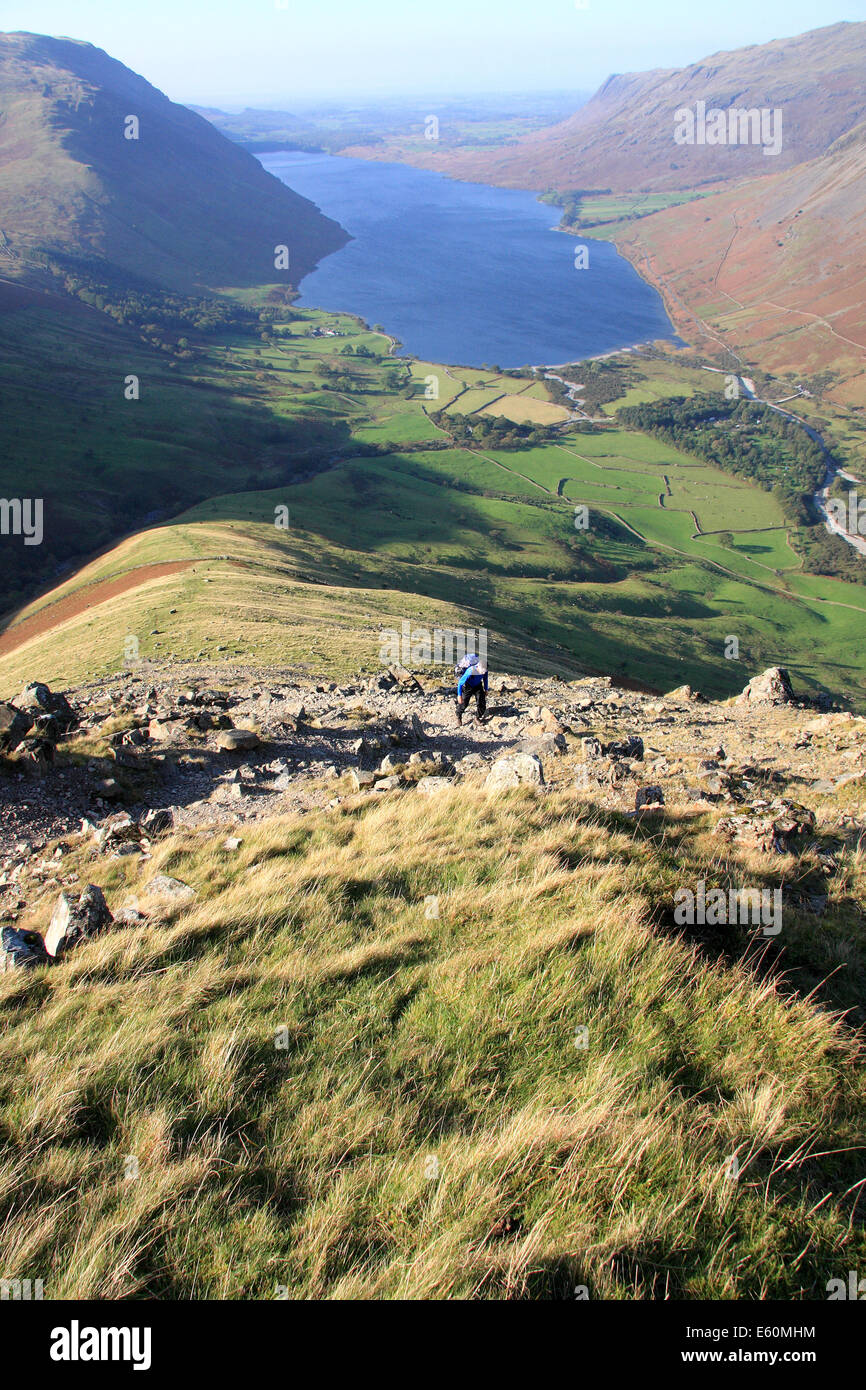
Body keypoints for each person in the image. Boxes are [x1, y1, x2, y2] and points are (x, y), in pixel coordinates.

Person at [454, 653, 488, 725]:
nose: (483, 673)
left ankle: (477, 718)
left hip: (478, 685)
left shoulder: (485, 670)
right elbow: (460, 683)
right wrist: (459, 695)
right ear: (478, 667)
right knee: (464, 703)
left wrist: (486, 689)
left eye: (484, 671)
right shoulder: (470, 671)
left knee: (481, 703)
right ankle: (458, 715)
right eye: (482, 671)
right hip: (468, 686)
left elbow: (485, 679)